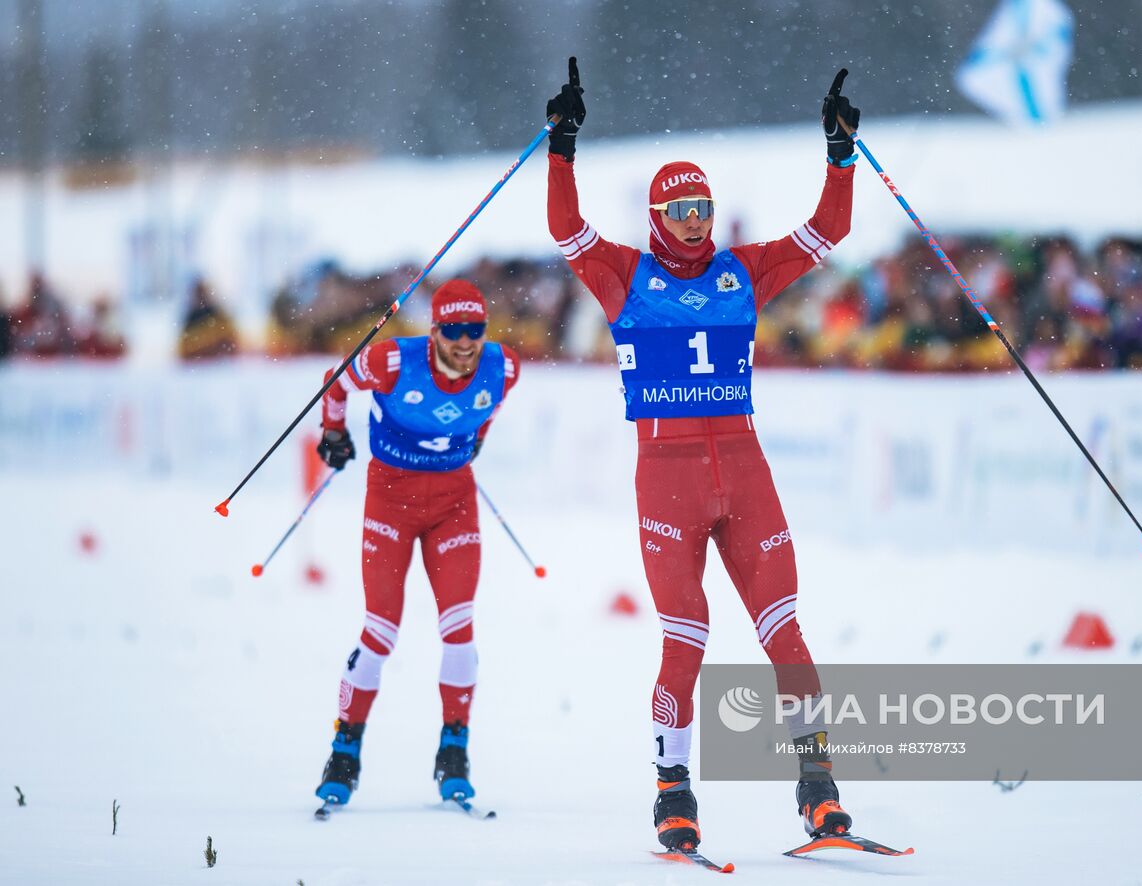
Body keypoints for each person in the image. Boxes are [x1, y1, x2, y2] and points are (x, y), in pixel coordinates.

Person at [544, 59, 859, 850]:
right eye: (679, 208)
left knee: (785, 631)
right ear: (657, 215)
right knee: (686, 639)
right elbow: (563, 228)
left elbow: (829, 231)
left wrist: (840, 155)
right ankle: (673, 794)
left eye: (703, 206)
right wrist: (562, 147)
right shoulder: (624, 274)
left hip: (746, 475)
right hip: (668, 484)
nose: (694, 219)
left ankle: (819, 788)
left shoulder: (742, 272)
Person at [312, 279, 520, 812]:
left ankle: (454, 749)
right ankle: (345, 748)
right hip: (391, 502)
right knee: (381, 630)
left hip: (454, 505)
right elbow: (335, 383)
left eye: (475, 330)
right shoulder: (390, 362)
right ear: (434, 332)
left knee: (459, 625)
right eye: (453, 330)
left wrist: (476, 442)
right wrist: (333, 434)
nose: (465, 341)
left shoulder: (505, 369)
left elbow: (488, 408)